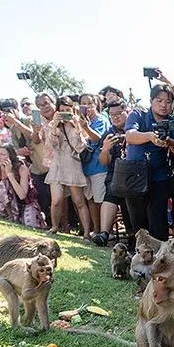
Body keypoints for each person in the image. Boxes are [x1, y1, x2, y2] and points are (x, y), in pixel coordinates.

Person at [124, 84, 174, 240]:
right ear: (151, 101)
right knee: (138, 226)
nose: (164, 105)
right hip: (135, 176)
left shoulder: (172, 122)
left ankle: (160, 261)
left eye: (168, 101)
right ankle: (139, 259)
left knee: (158, 226)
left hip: (159, 177)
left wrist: (169, 141)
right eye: (159, 100)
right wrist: (151, 136)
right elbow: (130, 136)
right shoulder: (138, 114)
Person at [44, 96, 93, 238]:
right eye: (62, 111)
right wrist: (54, 126)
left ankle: (86, 233)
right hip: (57, 165)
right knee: (56, 200)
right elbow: (51, 145)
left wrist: (76, 126)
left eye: (68, 110)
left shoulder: (77, 124)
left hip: (72, 164)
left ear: (73, 110)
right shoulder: (52, 125)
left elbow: (81, 147)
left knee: (79, 201)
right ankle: (54, 227)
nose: (65, 113)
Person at [91, 98, 132, 246]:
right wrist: (106, 148)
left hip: (135, 175)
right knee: (111, 195)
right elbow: (104, 161)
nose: (115, 117)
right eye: (112, 114)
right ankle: (104, 234)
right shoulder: (109, 133)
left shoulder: (134, 128)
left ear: (126, 112)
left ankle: (133, 236)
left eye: (119, 113)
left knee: (128, 200)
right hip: (115, 174)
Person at [0, 143, 44, 228]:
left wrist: (9, 174)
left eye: (2, 154)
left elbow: (22, 195)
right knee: (3, 184)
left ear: (10, 156)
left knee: (31, 225)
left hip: (25, 202)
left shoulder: (21, 168)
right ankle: (10, 217)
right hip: (8, 205)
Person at [79, 93, 110, 235]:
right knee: (90, 200)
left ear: (96, 105)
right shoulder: (78, 121)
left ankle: (104, 232)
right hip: (85, 168)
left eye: (89, 103)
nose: (86, 107)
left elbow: (99, 139)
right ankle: (96, 231)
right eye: (83, 103)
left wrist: (85, 128)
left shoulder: (101, 120)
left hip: (99, 167)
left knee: (100, 201)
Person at [29, 92, 54, 223]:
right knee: (51, 197)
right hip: (46, 165)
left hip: (67, 162)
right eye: (40, 105)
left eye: (45, 103)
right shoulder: (37, 121)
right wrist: (35, 131)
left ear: (52, 101)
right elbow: (36, 140)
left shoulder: (61, 115)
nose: (44, 107)